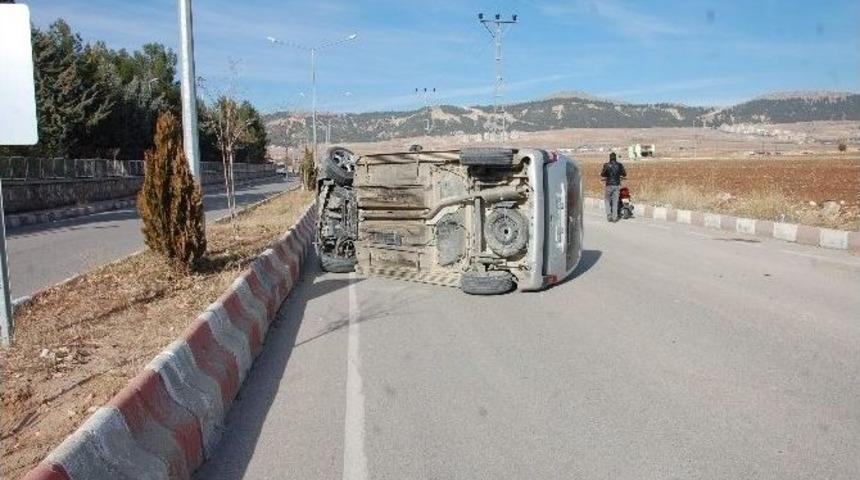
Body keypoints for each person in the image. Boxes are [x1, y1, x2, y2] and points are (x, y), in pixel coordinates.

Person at [600, 152, 627, 222]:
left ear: (610, 158)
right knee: (615, 201)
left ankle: (609, 214)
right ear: (615, 157)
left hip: (608, 185)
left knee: (607, 200)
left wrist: (607, 175)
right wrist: (619, 174)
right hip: (616, 185)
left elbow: (602, 174)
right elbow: (624, 174)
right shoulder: (619, 165)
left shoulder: (606, 165)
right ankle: (615, 217)